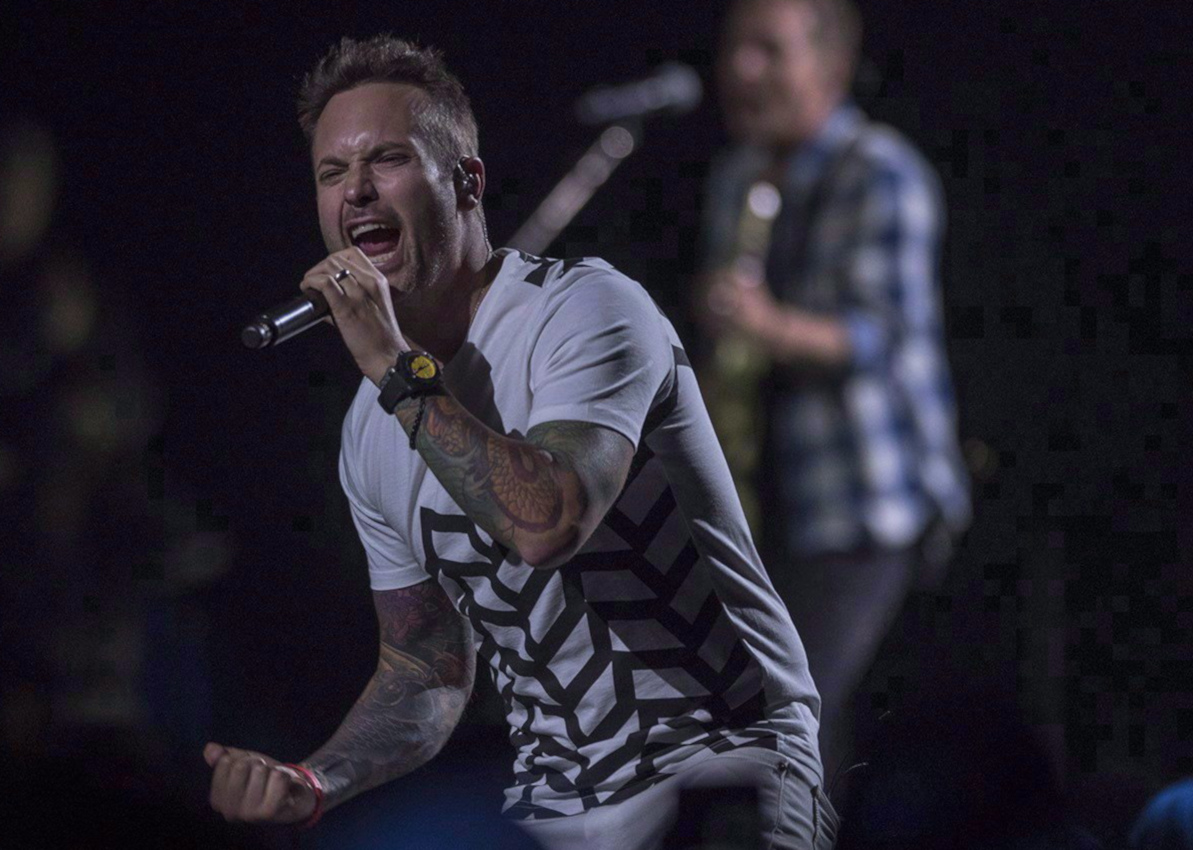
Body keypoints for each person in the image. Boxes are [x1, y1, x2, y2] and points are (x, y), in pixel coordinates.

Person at [203, 35, 837, 850]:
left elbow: (549, 522)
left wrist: (396, 369)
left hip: (720, 766)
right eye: (332, 172)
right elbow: (427, 669)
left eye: (387, 160)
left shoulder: (585, 311)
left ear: (466, 182)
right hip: (554, 806)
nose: (356, 190)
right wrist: (319, 778)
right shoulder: (369, 426)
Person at [696, 0, 972, 776]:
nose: (741, 69)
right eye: (736, 49)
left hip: (865, 502)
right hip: (770, 500)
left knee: (792, 717)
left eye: (768, 50)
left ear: (832, 66)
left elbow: (879, 336)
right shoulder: (737, 175)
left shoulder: (881, 170)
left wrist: (764, 323)